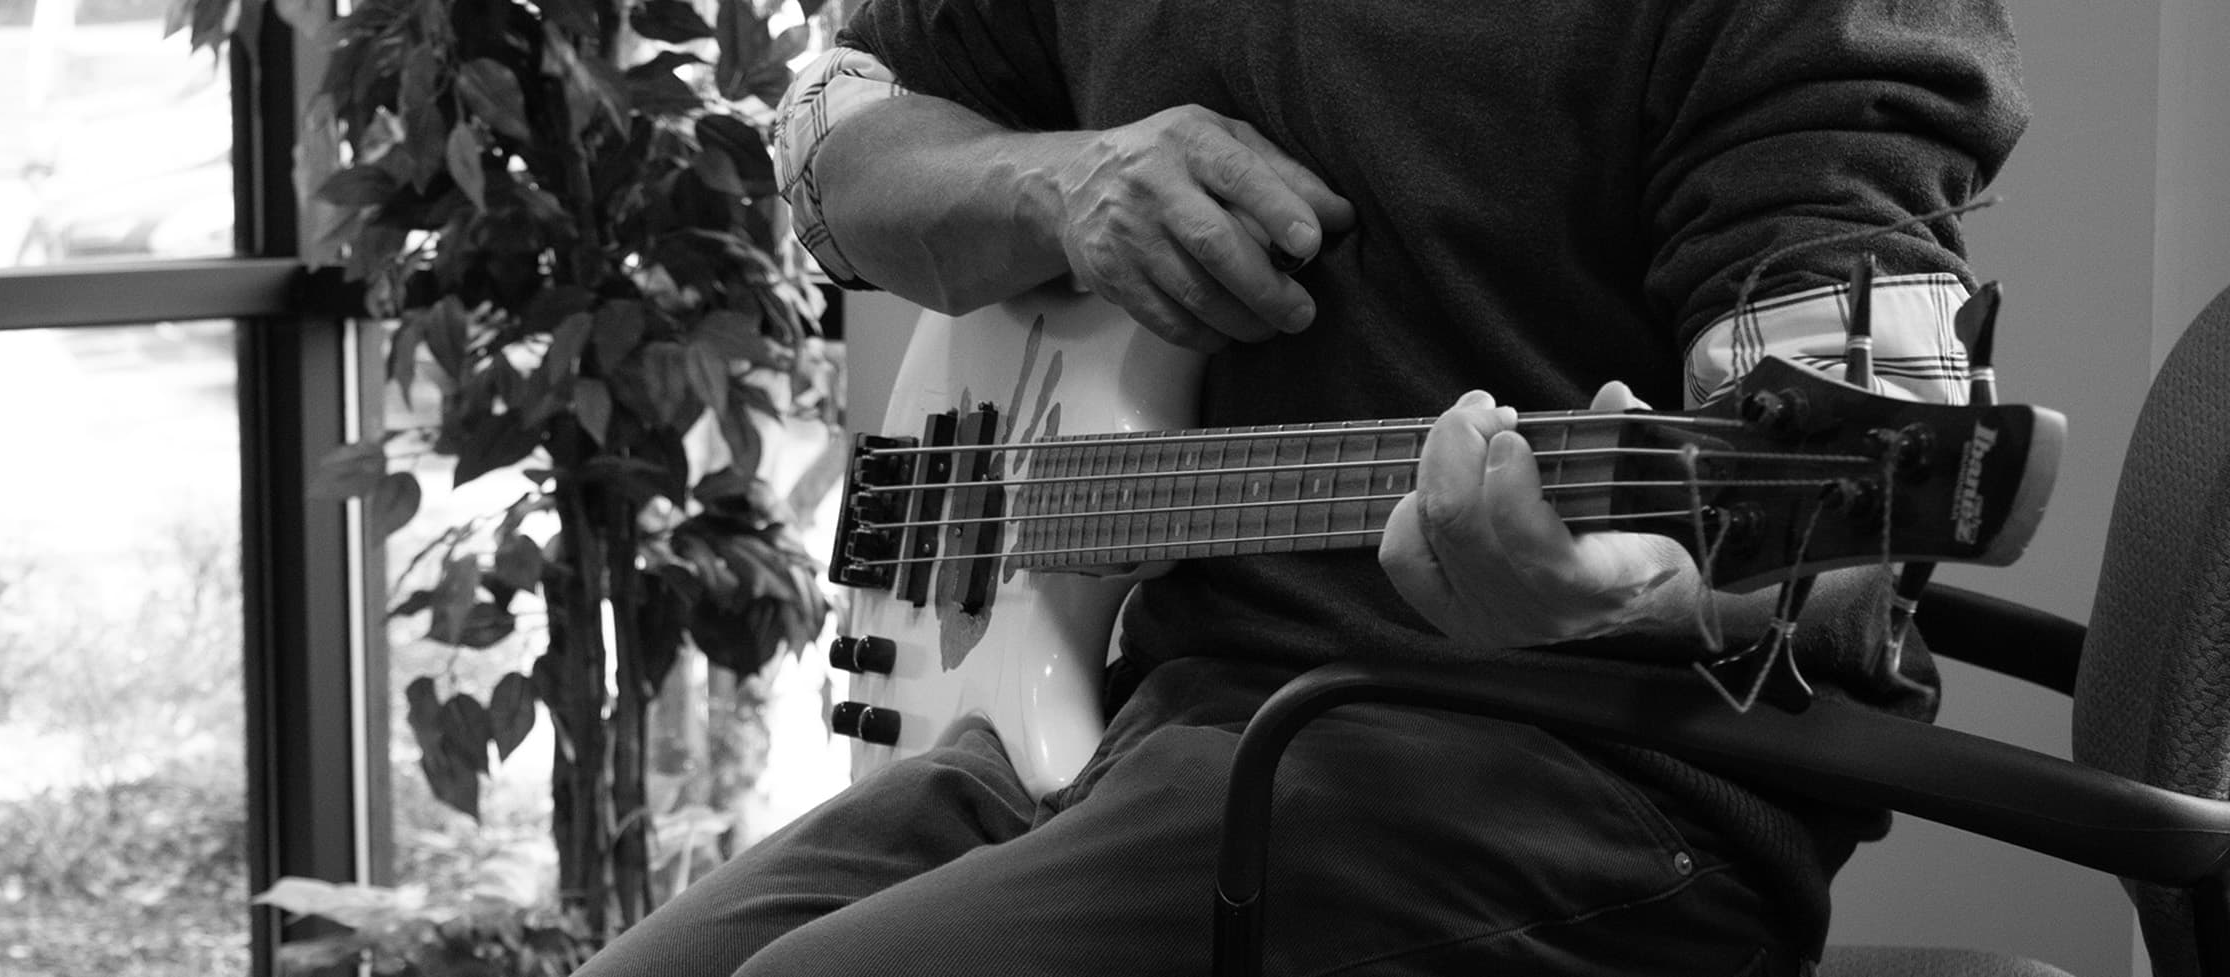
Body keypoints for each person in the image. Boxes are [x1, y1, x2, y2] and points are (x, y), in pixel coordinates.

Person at [578, 0, 2028, 973]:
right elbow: (836, 125)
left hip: (1585, 772)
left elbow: (1853, 510)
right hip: (1128, 729)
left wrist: (1636, 583)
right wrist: (1057, 186)